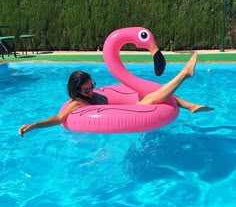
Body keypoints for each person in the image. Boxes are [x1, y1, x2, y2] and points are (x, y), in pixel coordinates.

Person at [19, 52, 213, 137]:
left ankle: (189, 105)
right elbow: (59, 118)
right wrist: (35, 125)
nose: (91, 91)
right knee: (151, 99)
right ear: (77, 91)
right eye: (86, 90)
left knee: (151, 94)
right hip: (130, 113)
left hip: (125, 108)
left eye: (92, 86)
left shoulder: (92, 94)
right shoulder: (77, 103)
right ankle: (184, 75)